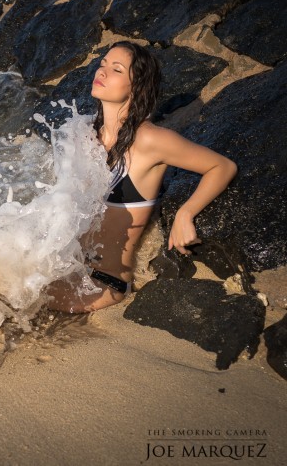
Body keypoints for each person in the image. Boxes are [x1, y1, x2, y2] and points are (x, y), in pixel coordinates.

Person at [45, 41, 237, 314]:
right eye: (102, 64)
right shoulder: (84, 132)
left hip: (100, 280)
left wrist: (186, 213)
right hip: (66, 265)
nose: (102, 72)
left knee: (5, 298)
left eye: (116, 69)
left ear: (136, 87)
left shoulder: (149, 140)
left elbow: (222, 167)